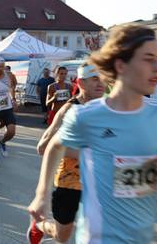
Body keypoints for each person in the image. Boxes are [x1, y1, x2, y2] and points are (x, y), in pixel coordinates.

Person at [28, 23, 157, 244]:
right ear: (121, 65)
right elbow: (53, 146)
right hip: (98, 238)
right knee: (63, 236)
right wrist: (41, 196)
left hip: (140, 238)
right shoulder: (85, 116)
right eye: (148, 58)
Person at [27, 63, 104, 243]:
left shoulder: (106, 108)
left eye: (102, 79)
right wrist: (83, 152)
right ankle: (39, 225)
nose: (100, 83)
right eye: (94, 79)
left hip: (97, 182)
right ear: (81, 83)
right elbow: (43, 147)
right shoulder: (70, 110)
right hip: (69, 181)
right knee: (62, 236)